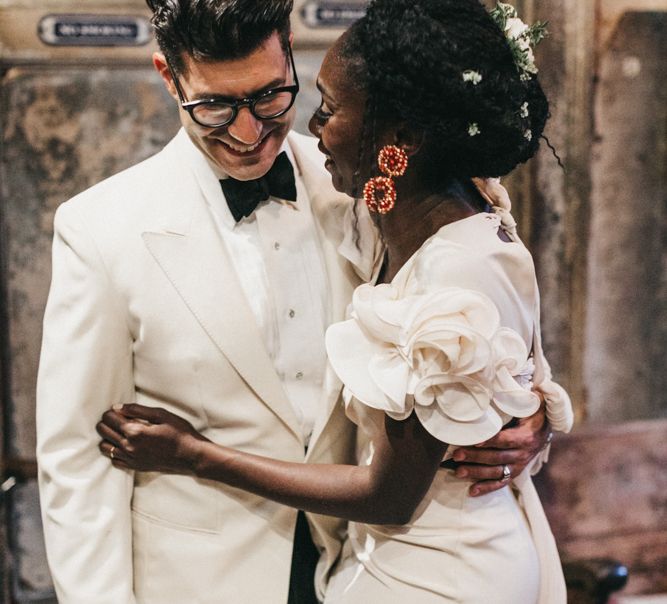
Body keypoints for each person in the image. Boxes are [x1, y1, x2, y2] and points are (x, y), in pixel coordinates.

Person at [38, 0, 558, 602]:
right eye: (213, 106)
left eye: (268, 99)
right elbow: (78, 463)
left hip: (365, 559)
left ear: (288, 50)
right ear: (168, 76)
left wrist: (532, 414)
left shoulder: (362, 180)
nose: (246, 131)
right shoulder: (99, 230)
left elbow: (477, 302)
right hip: (198, 581)